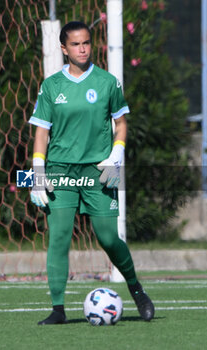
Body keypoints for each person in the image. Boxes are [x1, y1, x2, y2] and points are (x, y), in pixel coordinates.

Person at [29, 21, 154, 325]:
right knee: (58, 237)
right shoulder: (51, 86)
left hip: (102, 170)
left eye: (86, 43)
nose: (82, 49)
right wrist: (37, 175)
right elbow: (41, 134)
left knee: (108, 237)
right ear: (63, 49)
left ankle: (136, 289)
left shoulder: (108, 82)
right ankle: (58, 309)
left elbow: (121, 123)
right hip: (60, 171)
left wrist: (117, 154)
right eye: (75, 44)